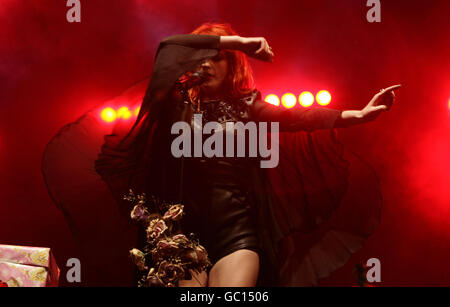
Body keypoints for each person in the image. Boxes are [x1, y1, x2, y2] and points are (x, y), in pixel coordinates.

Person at [43, 22, 400, 287]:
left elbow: (300, 118)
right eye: (203, 56)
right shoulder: (172, 106)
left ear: (234, 67)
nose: (209, 64)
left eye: (220, 58)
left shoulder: (248, 106)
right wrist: (239, 41)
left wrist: (358, 115)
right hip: (181, 239)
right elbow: (169, 46)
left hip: (238, 234)